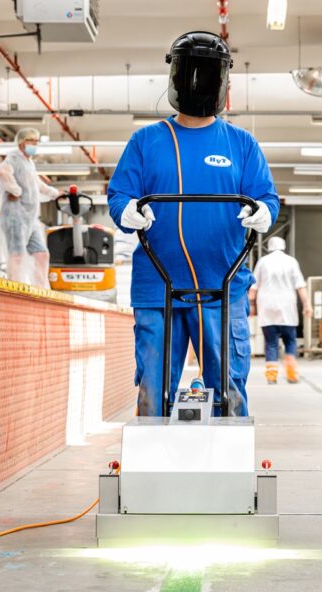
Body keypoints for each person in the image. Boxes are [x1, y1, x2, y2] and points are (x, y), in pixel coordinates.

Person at [108, 31, 279, 417]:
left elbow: (266, 197)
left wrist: (266, 212)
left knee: (229, 388)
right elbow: (119, 195)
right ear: (177, 77)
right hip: (158, 288)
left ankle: (229, 468)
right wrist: (127, 209)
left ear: (222, 83)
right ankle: (150, 470)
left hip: (222, 284)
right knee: (153, 390)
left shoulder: (242, 144)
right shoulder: (146, 141)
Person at [0, 127, 61, 288]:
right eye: (32, 141)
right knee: (17, 254)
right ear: (22, 143)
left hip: (31, 219)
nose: (35, 145)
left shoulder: (29, 163)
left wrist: (55, 193)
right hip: (15, 216)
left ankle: (41, 290)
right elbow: (2, 172)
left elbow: (36, 183)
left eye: (37, 142)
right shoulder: (15, 158)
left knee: (41, 253)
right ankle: (15, 288)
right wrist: (14, 190)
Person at [249, 236, 310, 384]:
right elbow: (300, 286)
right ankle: (291, 372)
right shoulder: (291, 262)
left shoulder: (262, 262)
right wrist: (307, 304)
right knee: (290, 341)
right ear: (283, 246)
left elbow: (253, 287)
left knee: (270, 342)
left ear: (269, 247)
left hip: (267, 308)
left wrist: (250, 305)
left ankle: (271, 375)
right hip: (287, 307)